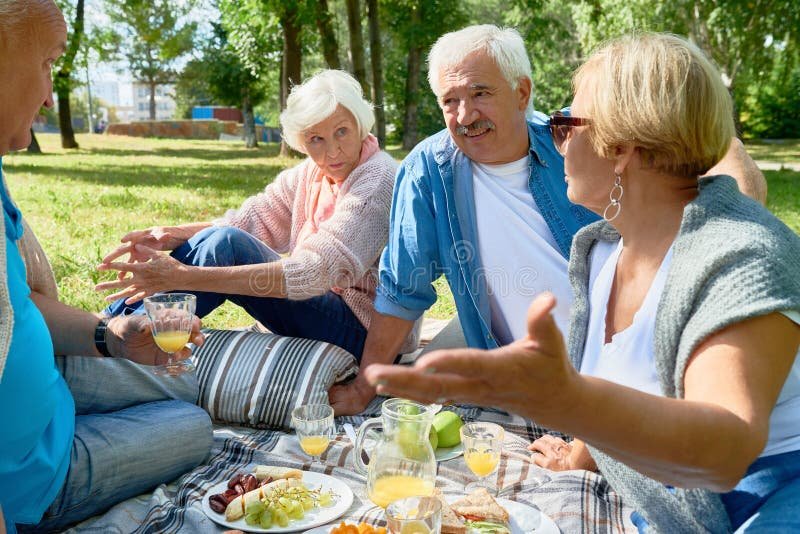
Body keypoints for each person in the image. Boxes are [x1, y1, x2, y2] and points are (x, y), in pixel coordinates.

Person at [364, 32, 800, 533]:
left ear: (621, 147)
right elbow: (620, 379)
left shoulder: (741, 255)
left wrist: (567, 402)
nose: (553, 137)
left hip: (771, 494)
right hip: (668, 508)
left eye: (566, 124)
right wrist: (580, 455)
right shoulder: (598, 254)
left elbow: (725, 454)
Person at [329, 24, 767, 415]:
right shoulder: (428, 171)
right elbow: (403, 290)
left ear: (522, 92)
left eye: (480, 93)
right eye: (450, 101)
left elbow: (717, 147)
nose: (464, 116)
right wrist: (366, 387)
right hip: (519, 368)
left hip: (616, 357)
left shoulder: (577, 141)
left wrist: (734, 236)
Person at [0, 1, 213, 532]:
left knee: (188, 384)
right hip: (36, 477)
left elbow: (15, 303)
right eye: (47, 62)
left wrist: (112, 335)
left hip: (53, 386)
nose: (50, 93)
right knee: (194, 424)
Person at [97, 69, 417, 360]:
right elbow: (247, 223)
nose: (332, 151)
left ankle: (117, 337)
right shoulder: (311, 173)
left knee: (228, 245)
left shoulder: (379, 179)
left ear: (361, 124)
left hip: (367, 335)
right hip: (325, 310)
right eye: (316, 139)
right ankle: (108, 327)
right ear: (301, 142)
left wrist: (181, 276)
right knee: (222, 240)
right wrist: (172, 234)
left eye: (342, 132)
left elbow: (315, 272)